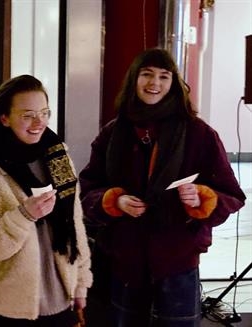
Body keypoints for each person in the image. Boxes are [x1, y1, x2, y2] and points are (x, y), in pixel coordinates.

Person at [79, 48, 246, 327]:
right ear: (134, 79)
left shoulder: (199, 133)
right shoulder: (113, 132)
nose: (154, 83)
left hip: (177, 259)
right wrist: (115, 201)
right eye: (147, 74)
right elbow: (88, 190)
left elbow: (232, 194)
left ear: (173, 83)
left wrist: (202, 197)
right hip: (125, 259)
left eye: (163, 76)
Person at [0, 74, 92, 327]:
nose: (38, 122)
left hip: (59, 305)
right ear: (5, 118)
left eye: (44, 112)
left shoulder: (58, 158)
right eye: (28, 115)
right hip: (0, 311)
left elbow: (75, 226)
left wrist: (81, 283)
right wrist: (23, 216)